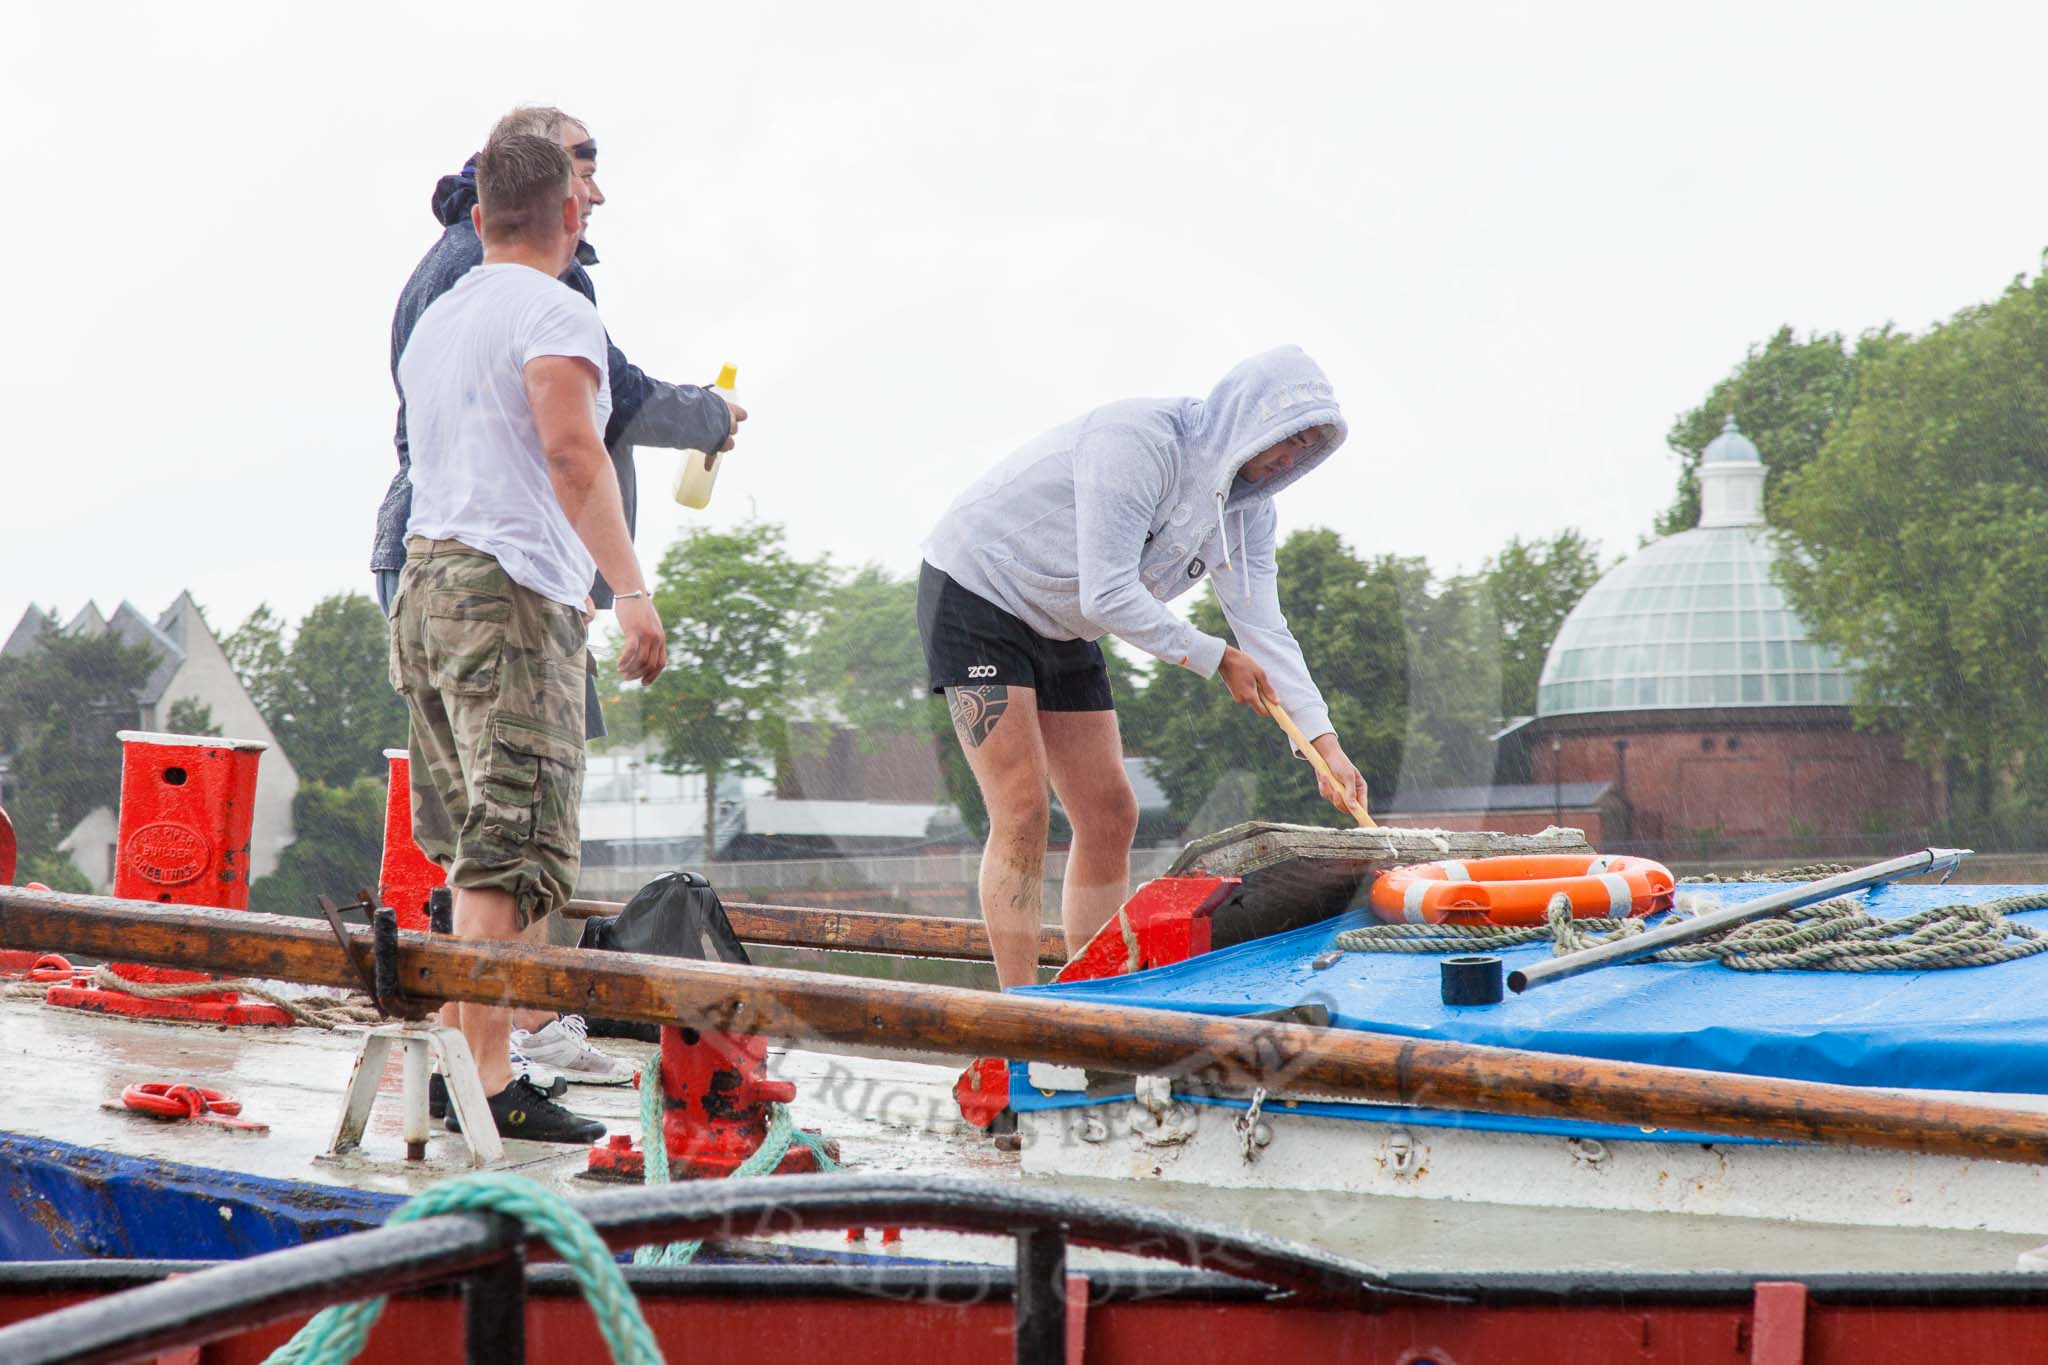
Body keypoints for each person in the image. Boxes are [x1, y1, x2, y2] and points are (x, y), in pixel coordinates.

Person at [373, 106, 741, 1090]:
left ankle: (462, 1069)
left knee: (471, 853)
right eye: (588, 180)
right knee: (514, 854)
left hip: (424, 585)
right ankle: (489, 1085)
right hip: (507, 595)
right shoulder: (556, 305)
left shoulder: (436, 311)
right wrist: (629, 591)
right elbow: (573, 451)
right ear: (567, 212)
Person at [918, 346, 1369, 989]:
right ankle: (1017, 1011)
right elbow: (1109, 593)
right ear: (1248, 418)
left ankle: (1093, 995)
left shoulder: (1250, 512)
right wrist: (1215, 658)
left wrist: (1326, 745)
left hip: (1066, 619)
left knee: (1110, 812)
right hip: (978, 591)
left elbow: (1263, 628)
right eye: (1285, 438)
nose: (1289, 457)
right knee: (1022, 808)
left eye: (1306, 447)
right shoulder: (1138, 442)